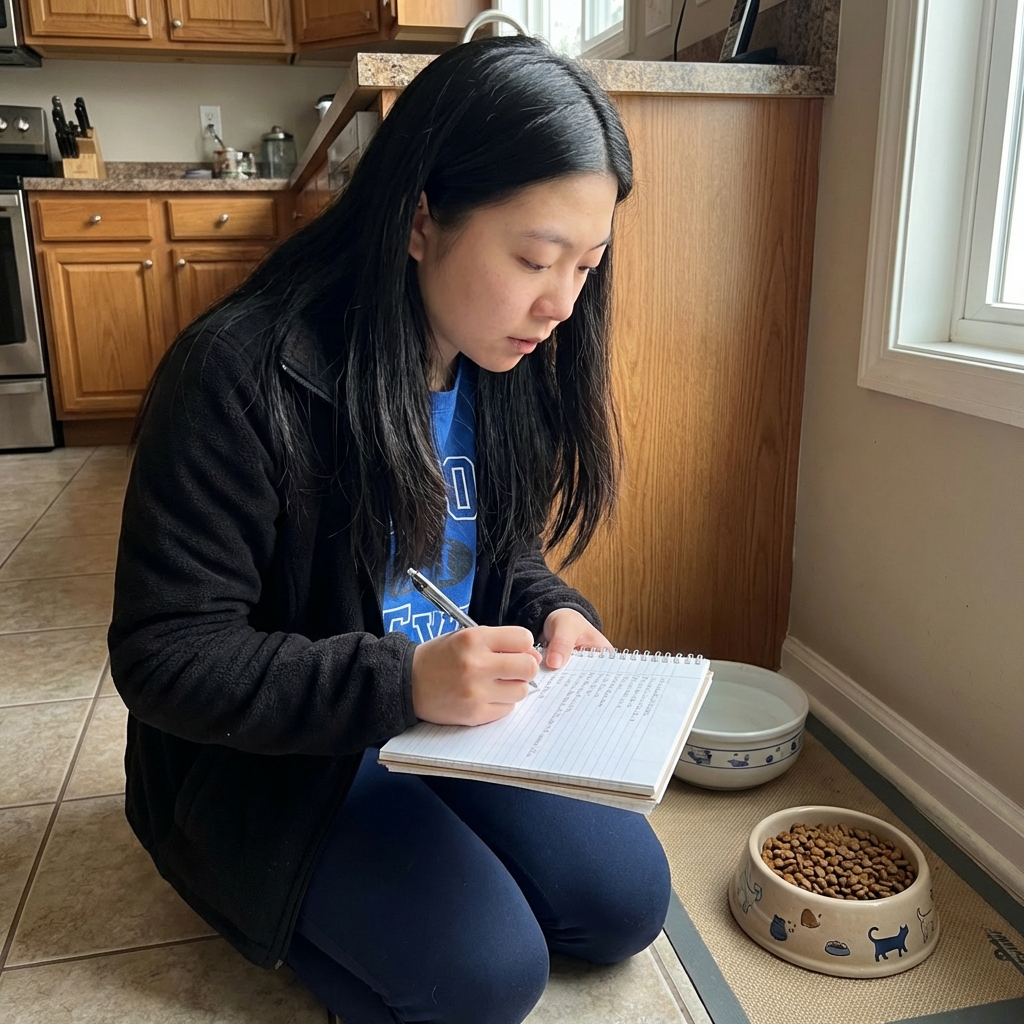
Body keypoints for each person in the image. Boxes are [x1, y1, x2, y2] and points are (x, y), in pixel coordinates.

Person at [109, 35, 671, 1024]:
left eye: (586, 266)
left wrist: (551, 610)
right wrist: (400, 683)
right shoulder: (239, 375)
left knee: (623, 903)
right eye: (535, 259)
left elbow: (493, 554)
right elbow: (166, 654)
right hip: (276, 760)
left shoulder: (502, 353)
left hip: (450, 728)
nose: (561, 304)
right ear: (421, 221)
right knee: (488, 977)